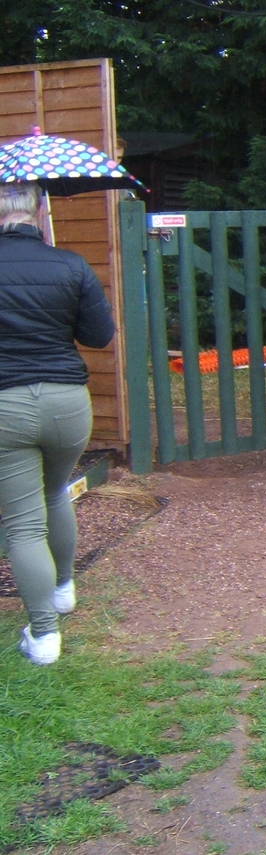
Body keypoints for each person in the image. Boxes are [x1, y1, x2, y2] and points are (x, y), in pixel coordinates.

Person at [0, 181, 115, 665]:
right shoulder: (70, 264)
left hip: (6, 406)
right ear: (39, 210)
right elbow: (99, 335)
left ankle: (44, 636)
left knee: (23, 524)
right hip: (68, 404)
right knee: (54, 493)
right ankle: (64, 590)